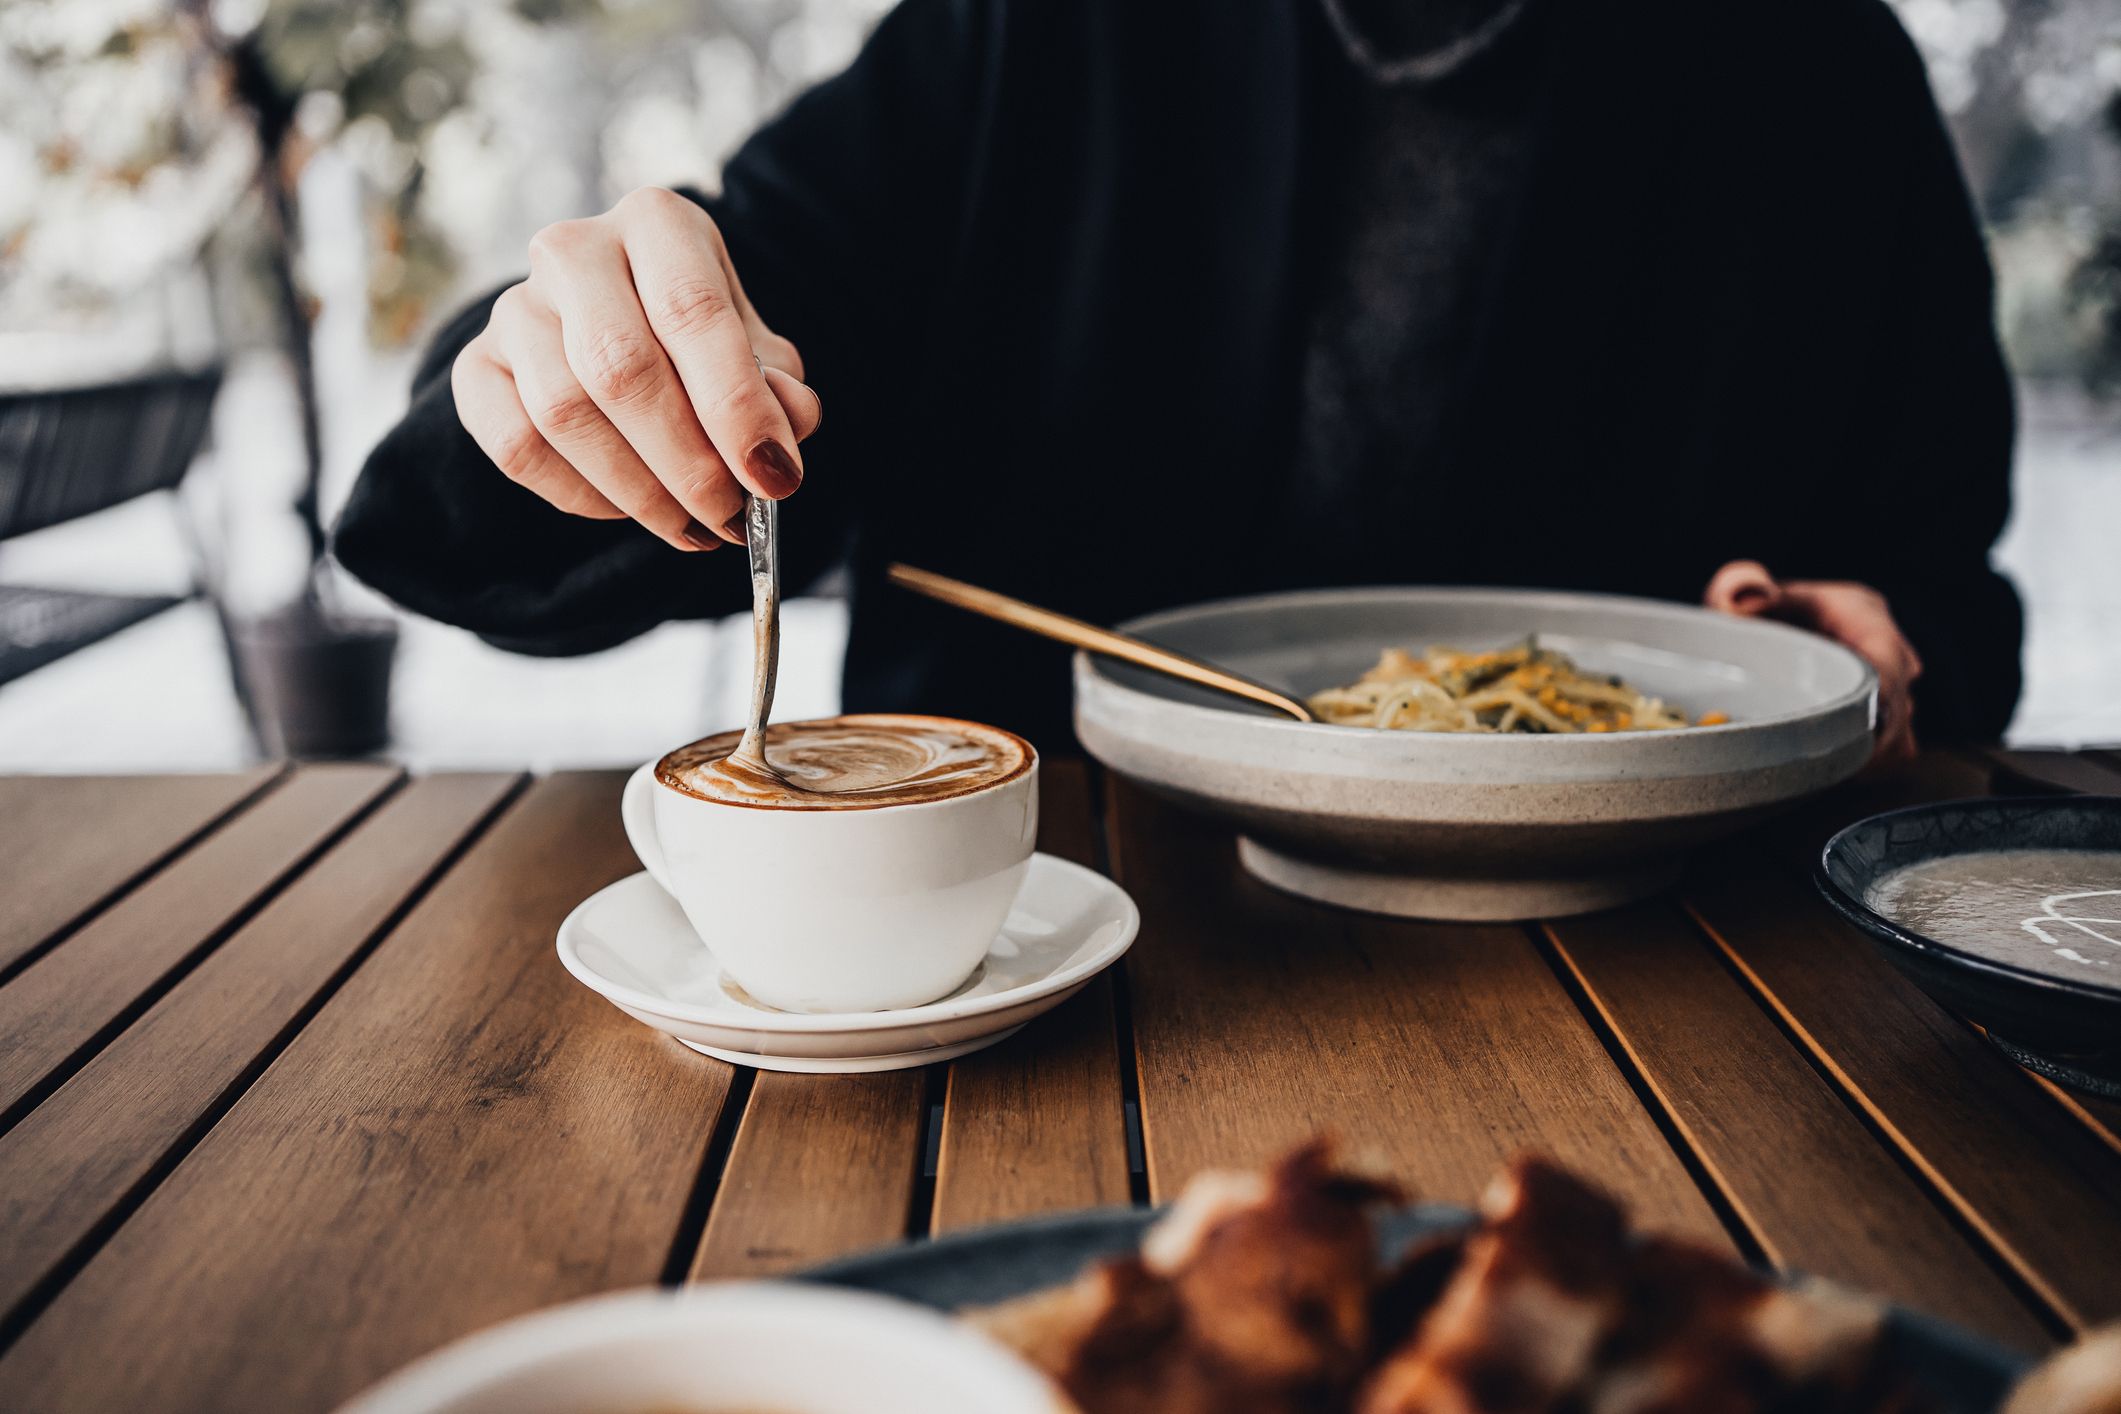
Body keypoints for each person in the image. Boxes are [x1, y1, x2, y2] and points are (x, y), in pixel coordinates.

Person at [336, 0, 2022, 757]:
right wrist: (568, 377)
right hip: (1013, 932)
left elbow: (1949, 584)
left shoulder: (1814, 72)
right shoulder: (1029, 34)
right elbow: (739, 338)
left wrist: (1877, 642)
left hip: (1639, 975)